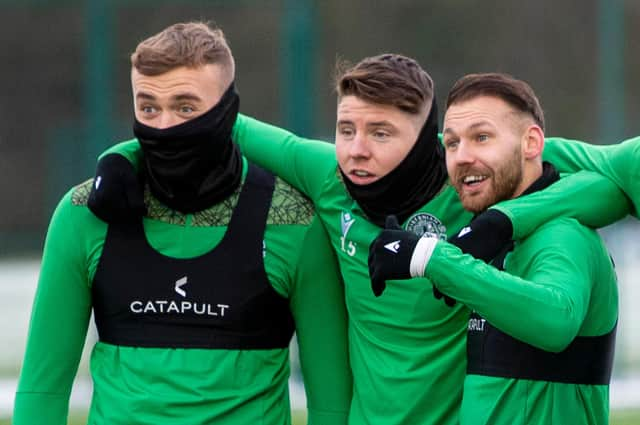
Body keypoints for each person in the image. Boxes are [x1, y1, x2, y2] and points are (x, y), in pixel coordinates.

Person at [86, 55, 627, 424]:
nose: (356, 150)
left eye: (381, 133)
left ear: (426, 142)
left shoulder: (468, 176)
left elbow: (611, 180)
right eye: (346, 130)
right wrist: (120, 157)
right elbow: (207, 119)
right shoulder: (328, 176)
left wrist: (491, 227)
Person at [13, 22, 352, 425]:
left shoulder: (294, 221)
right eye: (148, 108)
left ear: (228, 110)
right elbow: (42, 389)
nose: (165, 128)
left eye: (186, 107)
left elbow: (332, 403)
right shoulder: (83, 213)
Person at [368, 73, 619, 424]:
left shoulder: (562, 235)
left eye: (481, 137)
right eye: (452, 144)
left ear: (531, 143)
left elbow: (556, 320)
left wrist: (429, 257)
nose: (462, 157)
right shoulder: (495, 235)